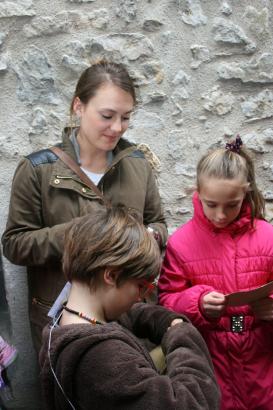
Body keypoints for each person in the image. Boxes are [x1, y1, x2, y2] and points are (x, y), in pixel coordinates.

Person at [1, 60, 167, 351]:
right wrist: (81, 234)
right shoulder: (37, 169)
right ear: (78, 106)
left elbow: (159, 224)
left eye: (126, 117)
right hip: (65, 321)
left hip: (130, 318)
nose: (117, 127)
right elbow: (15, 244)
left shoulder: (138, 165)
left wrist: (149, 237)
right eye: (107, 115)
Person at [39, 206, 220, 410]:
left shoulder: (65, 319)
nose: (141, 297)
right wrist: (183, 335)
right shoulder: (104, 359)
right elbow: (194, 402)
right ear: (112, 275)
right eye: (140, 286)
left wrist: (163, 320)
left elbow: (129, 314)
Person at [158, 135, 273, 410]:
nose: (221, 215)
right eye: (211, 204)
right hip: (210, 363)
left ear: (245, 194)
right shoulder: (181, 243)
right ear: (197, 193)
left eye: (231, 205)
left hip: (263, 364)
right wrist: (197, 303)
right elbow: (165, 303)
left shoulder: (268, 237)